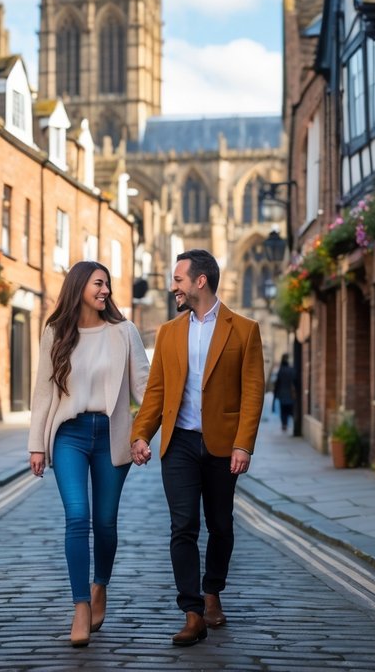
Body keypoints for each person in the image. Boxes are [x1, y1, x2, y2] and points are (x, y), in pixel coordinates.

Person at [130, 249, 265, 646]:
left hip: (223, 445)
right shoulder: (169, 332)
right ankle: (192, 612)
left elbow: (253, 392)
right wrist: (142, 434)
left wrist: (244, 444)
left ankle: (212, 593)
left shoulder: (244, 329)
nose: (173, 286)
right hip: (181, 443)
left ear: (199, 281)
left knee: (220, 525)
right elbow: (156, 391)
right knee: (183, 526)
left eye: (178, 280)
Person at [28, 260, 149, 648]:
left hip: (112, 435)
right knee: (78, 516)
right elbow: (43, 392)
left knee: (106, 522)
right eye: (99, 283)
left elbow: (144, 387)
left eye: (108, 285)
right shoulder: (56, 331)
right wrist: (35, 444)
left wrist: (145, 433)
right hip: (70, 435)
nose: (106, 291)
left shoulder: (124, 332)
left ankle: (101, 587)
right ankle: (81, 606)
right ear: (79, 285)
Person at [273, 354, 296, 432]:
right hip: (290, 393)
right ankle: (292, 424)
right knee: (290, 409)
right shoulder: (291, 370)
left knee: (283, 410)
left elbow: (277, 383)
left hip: (282, 393)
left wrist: (275, 394)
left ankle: (284, 425)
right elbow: (295, 381)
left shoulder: (281, 370)